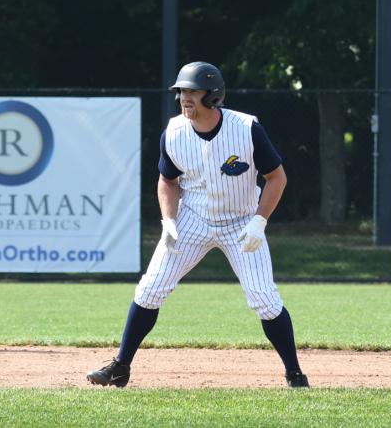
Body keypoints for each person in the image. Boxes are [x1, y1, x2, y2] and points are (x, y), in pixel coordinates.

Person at [87, 61, 309, 388]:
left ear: (213, 94)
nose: (184, 98)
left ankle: (294, 373)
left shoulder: (246, 128)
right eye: (181, 92)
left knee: (264, 297)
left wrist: (259, 221)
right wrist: (169, 221)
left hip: (241, 222)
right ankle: (120, 367)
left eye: (192, 91)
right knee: (150, 289)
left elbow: (276, 177)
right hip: (193, 219)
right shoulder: (174, 133)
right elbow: (167, 180)